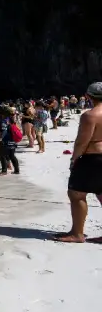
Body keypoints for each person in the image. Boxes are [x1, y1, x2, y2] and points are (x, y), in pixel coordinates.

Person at [54, 83, 102, 243]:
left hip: (93, 158)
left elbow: (82, 142)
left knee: (77, 194)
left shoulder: (90, 115)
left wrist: (74, 159)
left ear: (88, 96)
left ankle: (77, 233)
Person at [0, 107, 20, 175]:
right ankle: (17, 170)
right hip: (12, 140)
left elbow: (4, 130)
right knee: (12, 156)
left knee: (3, 156)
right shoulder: (10, 118)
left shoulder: (4, 120)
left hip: (6, 140)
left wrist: (0, 138)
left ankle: (4, 171)